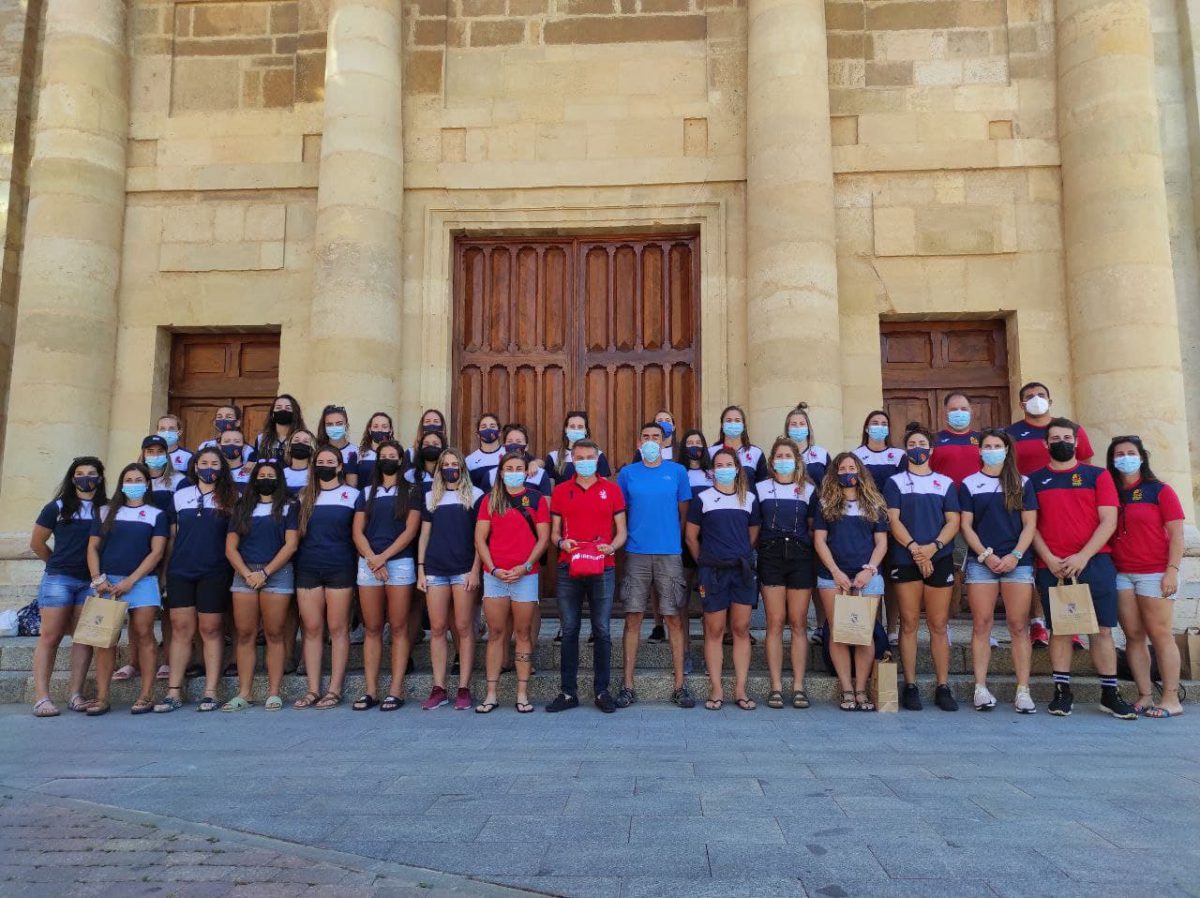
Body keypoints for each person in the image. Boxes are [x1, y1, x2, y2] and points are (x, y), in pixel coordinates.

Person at [1029, 418, 1136, 719]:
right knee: (1060, 629)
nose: (1061, 441)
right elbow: (1031, 525)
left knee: (1101, 628)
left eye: (1067, 437)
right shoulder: (1035, 480)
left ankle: (1109, 693)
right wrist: (1049, 558)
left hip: (1094, 561)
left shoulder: (1097, 476)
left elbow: (1109, 521)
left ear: (1076, 442)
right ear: (1045, 444)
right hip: (1052, 565)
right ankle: (1062, 691)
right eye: (1055, 438)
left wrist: (1082, 557)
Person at [616, 422, 696, 708]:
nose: (651, 441)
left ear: (664, 442)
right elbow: (620, 512)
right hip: (636, 553)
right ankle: (627, 685)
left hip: (669, 553)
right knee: (633, 617)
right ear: (639, 441)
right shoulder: (627, 474)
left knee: (673, 617)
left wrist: (674, 540)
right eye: (646, 437)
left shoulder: (677, 472)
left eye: (656, 437)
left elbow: (683, 513)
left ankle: (679, 686)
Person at [959, 429, 1038, 713]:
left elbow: (1030, 524)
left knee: (1019, 626)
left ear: (1007, 450)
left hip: (1018, 562)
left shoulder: (1023, 483)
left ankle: (1023, 690)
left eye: (997, 446)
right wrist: (985, 555)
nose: (992, 450)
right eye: (987, 446)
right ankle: (980, 688)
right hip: (983, 565)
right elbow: (966, 525)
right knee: (982, 625)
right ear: (979, 450)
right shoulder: (970, 484)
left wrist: (1016, 555)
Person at [885, 423, 961, 712]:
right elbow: (894, 520)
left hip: (938, 557)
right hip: (907, 558)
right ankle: (911, 685)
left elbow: (952, 521)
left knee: (939, 625)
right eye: (912, 444)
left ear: (931, 449)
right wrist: (917, 550)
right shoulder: (896, 482)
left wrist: (933, 548)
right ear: (906, 450)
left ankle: (943, 685)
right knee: (909, 623)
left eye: (922, 444)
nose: (917, 448)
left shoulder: (944, 483)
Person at [546, 439, 627, 713]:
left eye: (589, 456)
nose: (584, 461)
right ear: (572, 459)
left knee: (602, 630)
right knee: (569, 630)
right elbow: (554, 532)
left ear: (597, 458)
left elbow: (622, 531)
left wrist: (611, 547)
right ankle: (568, 693)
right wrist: (561, 544)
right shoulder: (561, 491)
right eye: (579, 457)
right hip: (568, 566)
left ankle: (602, 691)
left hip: (603, 566)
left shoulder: (612, 490)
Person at [1107, 436, 1186, 718]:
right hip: (1121, 573)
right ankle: (1144, 695)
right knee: (1133, 635)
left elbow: (1177, 534)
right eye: (1119, 454)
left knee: (1161, 634)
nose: (1124, 458)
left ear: (1142, 457)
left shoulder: (1160, 490)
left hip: (1155, 571)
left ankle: (1171, 698)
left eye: (1130, 453)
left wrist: (1172, 571)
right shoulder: (1111, 491)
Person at [154, 448, 237, 713]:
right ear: (195, 466)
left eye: (214, 463)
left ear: (222, 468)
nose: (209, 467)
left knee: (211, 629)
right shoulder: (180, 496)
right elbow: (172, 537)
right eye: (204, 463)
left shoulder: (232, 498)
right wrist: (165, 572)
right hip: (181, 570)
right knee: (180, 629)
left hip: (215, 570)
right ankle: (174, 691)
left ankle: (211, 691)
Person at [85, 463, 169, 715]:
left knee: (144, 633)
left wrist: (131, 580)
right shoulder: (104, 512)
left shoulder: (157, 514)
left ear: (147, 483)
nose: (133, 484)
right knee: (104, 640)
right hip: (107, 582)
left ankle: (146, 695)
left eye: (138, 479)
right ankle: (101, 697)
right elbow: (92, 547)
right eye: (129, 479)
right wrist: (98, 578)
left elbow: (157, 552)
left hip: (142, 582)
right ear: (122, 483)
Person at [30, 457, 107, 716]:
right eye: (80, 473)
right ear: (72, 478)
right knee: (49, 636)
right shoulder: (57, 507)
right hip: (60, 579)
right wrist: (55, 564)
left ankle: (76, 694)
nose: (86, 477)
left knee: (83, 638)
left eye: (92, 473)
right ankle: (42, 698)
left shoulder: (106, 509)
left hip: (91, 581)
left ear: (100, 477)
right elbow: (37, 542)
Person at [474, 452, 550, 713]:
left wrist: (526, 565)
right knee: (495, 633)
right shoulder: (489, 499)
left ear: (525, 471)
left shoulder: (536, 499)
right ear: (501, 471)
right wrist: (493, 569)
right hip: (495, 576)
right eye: (509, 467)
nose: (514, 471)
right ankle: (491, 693)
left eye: (519, 467)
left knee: (523, 633)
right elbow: (480, 539)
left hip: (525, 575)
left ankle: (522, 693)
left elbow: (543, 538)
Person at [812, 453, 888, 711]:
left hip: (867, 576)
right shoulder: (825, 503)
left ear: (860, 471)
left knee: (864, 634)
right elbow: (820, 540)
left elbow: (881, 543)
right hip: (832, 576)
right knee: (838, 632)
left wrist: (869, 570)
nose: (847, 472)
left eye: (851, 467)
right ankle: (846, 689)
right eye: (842, 468)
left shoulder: (874, 503)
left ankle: (861, 690)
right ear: (834, 473)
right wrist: (835, 571)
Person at [687, 447, 761, 711]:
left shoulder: (749, 499)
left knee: (741, 630)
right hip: (712, 572)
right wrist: (706, 561)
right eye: (719, 464)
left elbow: (753, 534)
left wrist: (737, 555)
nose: (724, 468)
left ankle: (740, 690)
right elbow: (691, 537)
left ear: (737, 467)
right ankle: (716, 689)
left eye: (728, 464)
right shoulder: (703, 498)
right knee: (715, 630)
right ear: (712, 470)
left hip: (741, 572)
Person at [224, 459, 299, 711]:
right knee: (245, 634)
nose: (266, 479)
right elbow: (230, 547)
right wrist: (247, 573)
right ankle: (244, 692)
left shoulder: (289, 506)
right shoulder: (242, 506)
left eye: (271, 475)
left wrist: (266, 572)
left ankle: (274, 692)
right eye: (261, 475)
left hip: (276, 573)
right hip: (244, 573)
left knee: (274, 633)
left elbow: (291, 544)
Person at [352, 440, 421, 711]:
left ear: (402, 460)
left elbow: (410, 531)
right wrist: (372, 558)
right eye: (384, 456)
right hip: (369, 564)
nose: (388, 460)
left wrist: (384, 558)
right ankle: (370, 690)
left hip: (399, 563)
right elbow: (357, 530)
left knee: (399, 627)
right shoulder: (366, 492)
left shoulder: (412, 491)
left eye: (394, 456)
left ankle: (396, 688)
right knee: (372, 627)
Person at [292, 447, 359, 710]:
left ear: (340, 466)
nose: (325, 465)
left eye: (330, 461)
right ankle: (312, 689)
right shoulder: (302, 497)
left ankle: (334, 688)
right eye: (320, 462)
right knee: (311, 629)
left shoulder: (352, 496)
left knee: (338, 629)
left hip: (340, 567)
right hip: (308, 567)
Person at [418, 448, 484, 711]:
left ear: (463, 467)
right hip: (435, 569)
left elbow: (481, 537)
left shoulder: (476, 496)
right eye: (445, 464)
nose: (449, 468)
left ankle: (464, 687)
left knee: (464, 626)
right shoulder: (430, 497)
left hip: (463, 569)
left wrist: (475, 569)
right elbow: (424, 535)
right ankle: (439, 687)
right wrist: (421, 569)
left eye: (454, 463)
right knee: (436, 628)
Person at [756, 437, 816, 709]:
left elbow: (814, 527)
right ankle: (776, 686)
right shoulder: (760, 489)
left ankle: (799, 686)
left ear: (797, 460)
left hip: (801, 557)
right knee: (775, 622)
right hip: (771, 556)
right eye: (778, 456)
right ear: (771, 461)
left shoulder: (808, 490)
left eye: (787, 456)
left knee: (799, 622)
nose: (783, 460)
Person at [853, 409, 906, 647]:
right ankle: (873, 625)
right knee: (871, 573)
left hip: (894, 522)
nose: (878, 426)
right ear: (866, 427)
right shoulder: (856, 456)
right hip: (866, 524)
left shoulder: (898, 455)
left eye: (883, 423)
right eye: (874, 423)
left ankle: (893, 628)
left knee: (893, 579)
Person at [1007, 382, 1096, 475]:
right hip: (1027, 488)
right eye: (1030, 397)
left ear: (1049, 402)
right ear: (1022, 405)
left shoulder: (1072, 429)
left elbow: (1085, 463)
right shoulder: (1010, 433)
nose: (1036, 400)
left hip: (1068, 487)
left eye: (1041, 395)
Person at [547, 410, 612, 486]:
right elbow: (550, 491)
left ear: (586, 431)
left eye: (580, 427)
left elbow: (604, 487)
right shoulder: (553, 457)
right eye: (572, 426)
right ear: (566, 429)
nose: (576, 430)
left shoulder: (598, 455)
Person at [931, 393, 983, 485]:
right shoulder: (933, 440)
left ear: (971, 411)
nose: (959, 413)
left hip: (977, 496)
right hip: (944, 496)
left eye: (964, 409)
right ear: (945, 413)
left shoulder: (983, 439)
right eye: (954, 409)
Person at [709, 404, 768, 482]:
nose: (733, 424)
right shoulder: (711, 452)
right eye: (728, 420)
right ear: (722, 425)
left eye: (737, 420)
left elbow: (762, 485)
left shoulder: (756, 453)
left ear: (743, 426)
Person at [784, 402, 831, 485]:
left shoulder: (822, 454)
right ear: (788, 429)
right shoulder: (781, 455)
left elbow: (831, 484)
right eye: (793, 424)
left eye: (802, 424)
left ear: (808, 428)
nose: (798, 427)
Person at [317, 404, 360, 487]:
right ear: (324, 427)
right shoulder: (319, 454)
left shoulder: (358, 452)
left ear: (346, 426)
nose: (334, 427)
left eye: (339, 423)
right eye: (329, 424)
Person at [256, 394, 305, 462]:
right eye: (278, 407)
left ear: (294, 413)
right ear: (272, 413)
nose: (283, 410)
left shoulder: (303, 439)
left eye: (288, 408)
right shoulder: (261, 438)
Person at [356, 412, 396, 486]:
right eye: (375, 426)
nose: (380, 430)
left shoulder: (397, 453)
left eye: (384, 427)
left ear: (390, 430)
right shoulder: (358, 453)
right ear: (370, 430)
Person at [466, 412, 503, 489]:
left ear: (499, 432)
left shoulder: (509, 454)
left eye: (492, 426)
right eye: (484, 426)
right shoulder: (469, 461)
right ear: (478, 434)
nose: (488, 429)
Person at [408, 429, 446, 495]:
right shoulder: (410, 474)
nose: (430, 446)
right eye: (426, 444)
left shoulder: (448, 473)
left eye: (435, 444)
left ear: (443, 448)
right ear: (420, 448)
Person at [283, 429, 315, 494]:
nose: (300, 443)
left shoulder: (315, 474)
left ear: (311, 449)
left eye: (306, 441)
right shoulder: (281, 473)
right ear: (289, 447)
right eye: (296, 440)